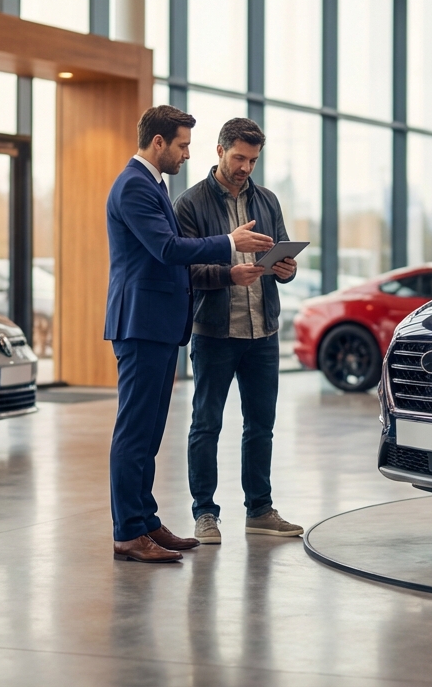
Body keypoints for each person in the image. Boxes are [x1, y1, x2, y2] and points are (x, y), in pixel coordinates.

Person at [106, 105, 275, 563]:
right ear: (158, 142)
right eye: (181, 145)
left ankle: (145, 521)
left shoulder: (152, 184)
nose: (185, 154)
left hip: (158, 325)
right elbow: (165, 248)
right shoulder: (134, 186)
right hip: (140, 323)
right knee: (134, 433)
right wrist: (229, 242)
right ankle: (127, 532)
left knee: (150, 431)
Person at [172, 117, 303, 544]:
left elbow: (282, 256)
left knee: (260, 425)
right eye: (239, 157)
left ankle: (260, 510)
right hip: (214, 333)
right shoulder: (190, 204)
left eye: (253, 160)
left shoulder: (267, 201)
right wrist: (231, 274)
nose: (246, 167)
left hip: (263, 332)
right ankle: (205, 513)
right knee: (206, 423)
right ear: (220, 151)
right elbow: (186, 269)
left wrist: (287, 268)